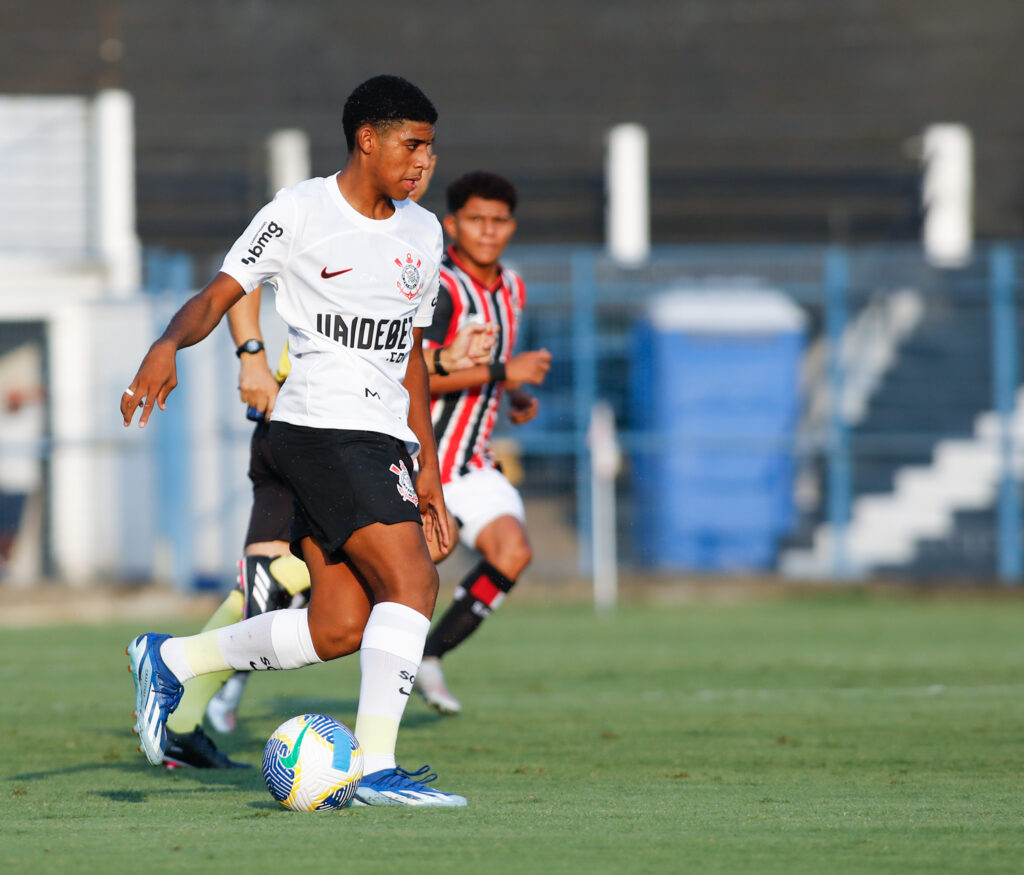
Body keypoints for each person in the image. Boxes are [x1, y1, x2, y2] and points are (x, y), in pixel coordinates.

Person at [122, 74, 467, 806]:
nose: (424, 161)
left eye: (431, 148)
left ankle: (173, 659)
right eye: (412, 145)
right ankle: (375, 769)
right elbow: (218, 294)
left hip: (381, 439)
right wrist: (167, 343)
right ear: (367, 140)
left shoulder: (424, 232)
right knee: (412, 582)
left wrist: (428, 467)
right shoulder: (300, 211)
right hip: (321, 427)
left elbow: (409, 354)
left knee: (338, 625)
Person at [163, 287, 494, 768]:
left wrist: (446, 360)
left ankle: (178, 708)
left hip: (329, 429)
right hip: (310, 426)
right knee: (382, 580)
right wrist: (251, 355)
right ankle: (184, 697)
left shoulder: (395, 256)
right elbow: (242, 275)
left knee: (293, 597)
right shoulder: (327, 243)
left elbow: (378, 356)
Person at [416, 171, 551, 715]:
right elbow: (416, 376)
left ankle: (429, 656)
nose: (488, 231)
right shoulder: (440, 288)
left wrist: (513, 392)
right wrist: (503, 373)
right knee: (373, 584)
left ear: (512, 227)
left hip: (470, 462)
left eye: (499, 221)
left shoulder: (513, 287)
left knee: (512, 551)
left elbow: (494, 364)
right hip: (418, 459)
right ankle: (244, 656)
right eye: (476, 220)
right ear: (452, 225)